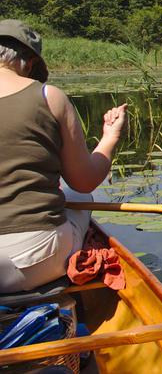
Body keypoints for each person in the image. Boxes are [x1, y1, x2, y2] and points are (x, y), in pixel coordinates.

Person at [0, 19, 127, 293]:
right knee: (80, 197)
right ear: (29, 62)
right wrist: (110, 137)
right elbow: (84, 181)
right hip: (27, 261)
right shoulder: (49, 97)